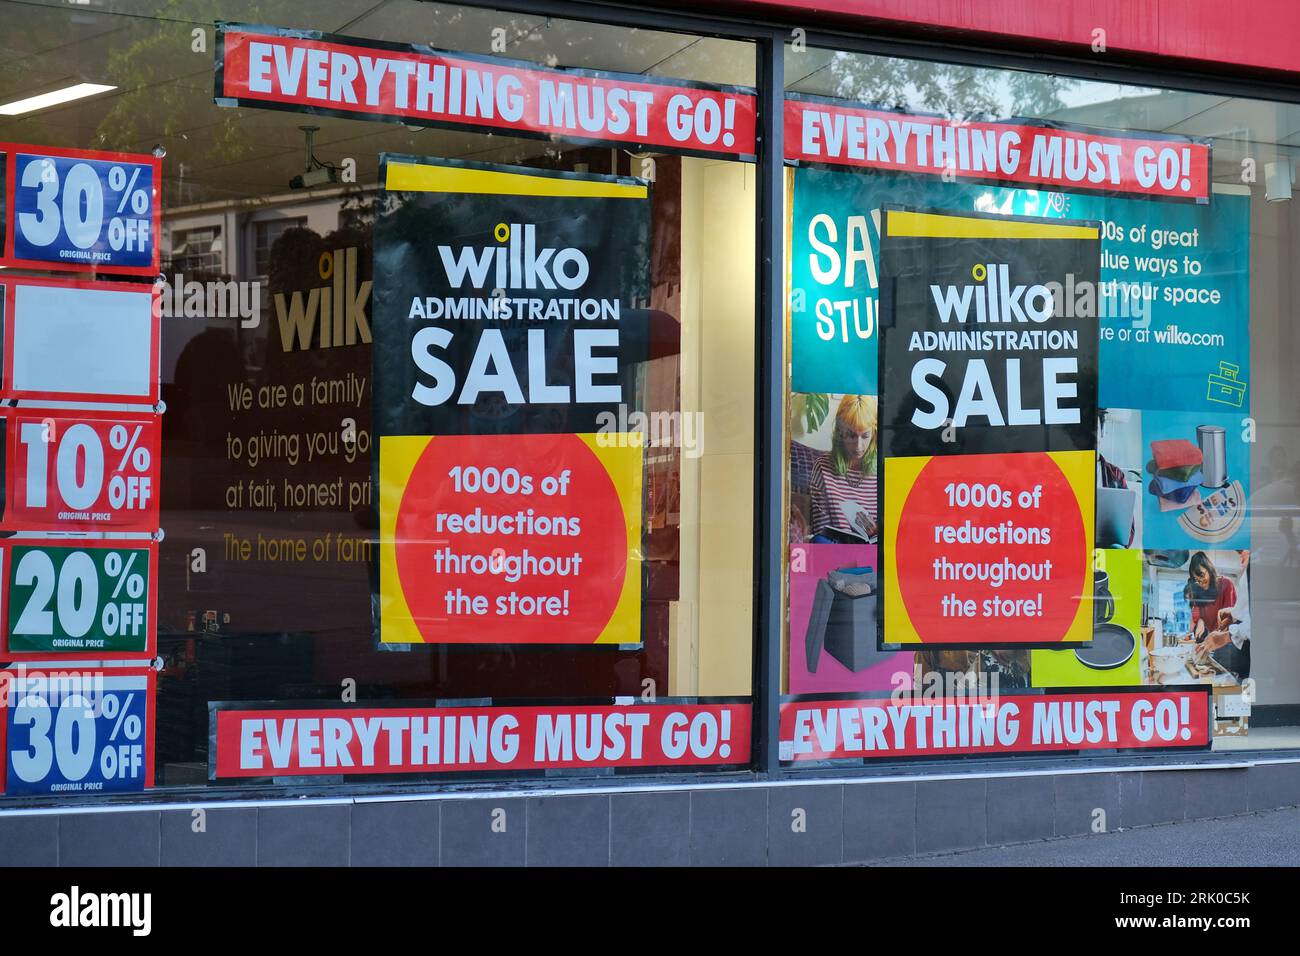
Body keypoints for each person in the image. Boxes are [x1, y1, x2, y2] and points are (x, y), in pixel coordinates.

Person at [809, 395, 878, 544]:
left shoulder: (882, 471)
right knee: (819, 541)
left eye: (865, 436)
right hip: (837, 549)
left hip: (874, 551)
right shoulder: (823, 465)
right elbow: (822, 529)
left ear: (874, 434)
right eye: (851, 436)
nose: (859, 446)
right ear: (840, 432)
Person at [1195, 551, 1251, 678]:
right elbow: (1248, 610)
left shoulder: (1227, 583)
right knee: (1244, 688)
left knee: (1249, 691)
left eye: (1242, 550)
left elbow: (1261, 620)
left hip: (1251, 652)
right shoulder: (1248, 571)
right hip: (1244, 651)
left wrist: (1225, 636)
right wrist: (1232, 613)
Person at [1183, 551, 1237, 643]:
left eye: (1202, 575)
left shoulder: (1226, 584)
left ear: (1209, 569)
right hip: (1211, 638)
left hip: (1226, 639)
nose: (1200, 582)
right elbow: (1197, 611)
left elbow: (1229, 617)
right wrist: (1200, 621)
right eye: (1196, 579)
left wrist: (1215, 635)